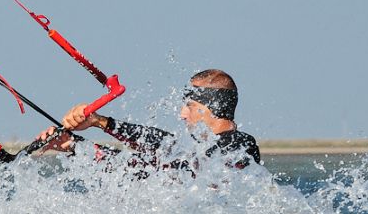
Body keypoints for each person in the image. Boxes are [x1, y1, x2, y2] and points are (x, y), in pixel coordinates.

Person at [38, 69, 261, 170]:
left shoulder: (240, 145)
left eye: (190, 106)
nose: (182, 114)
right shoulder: (196, 151)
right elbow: (165, 147)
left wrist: (93, 137)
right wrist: (92, 129)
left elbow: (169, 164)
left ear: (213, 107)